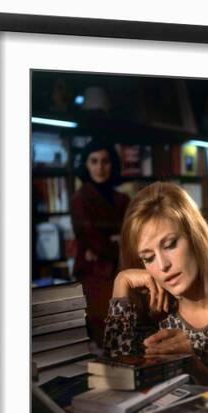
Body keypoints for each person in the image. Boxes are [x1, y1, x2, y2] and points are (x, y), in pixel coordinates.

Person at [103, 182, 208, 390]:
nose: (163, 265)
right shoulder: (152, 311)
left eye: (170, 245)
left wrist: (193, 362)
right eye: (148, 258)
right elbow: (114, 384)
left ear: (195, 237)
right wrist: (120, 284)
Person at [70, 141, 130, 347]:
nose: (100, 167)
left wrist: (113, 242)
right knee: (106, 333)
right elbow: (93, 240)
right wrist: (116, 242)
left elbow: (130, 236)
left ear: (112, 164)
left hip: (118, 270)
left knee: (126, 329)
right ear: (86, 165)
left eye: (105, 161)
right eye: (94, 161)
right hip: (94, 275)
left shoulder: (122, 198)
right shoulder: (80, 199)